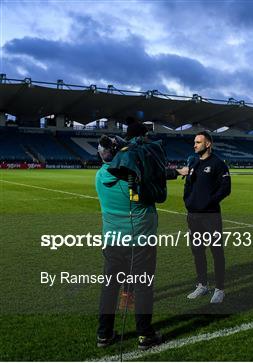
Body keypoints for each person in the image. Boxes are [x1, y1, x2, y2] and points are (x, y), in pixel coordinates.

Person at [95, 122, 162, 350]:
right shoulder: (132, 178)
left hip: (112, 242)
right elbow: (151, 188)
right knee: (143, 286)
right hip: (140, 241)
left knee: (109, 288)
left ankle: (104, 335)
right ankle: (145, 335)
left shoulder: (100, 176)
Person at [178, 131, 231, 303]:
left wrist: (208, 202)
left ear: (208, 144)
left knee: (216, 251)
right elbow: (188, 186)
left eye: (198, 142)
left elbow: (225, 189)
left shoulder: (218, 164)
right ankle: (202, 285)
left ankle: (220, 288)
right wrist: (189, 201)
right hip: (193, 216)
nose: (194, 145)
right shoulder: (193, 163)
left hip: (210, 216)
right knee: (197, 251)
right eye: (194, 142)